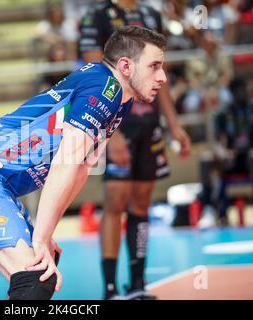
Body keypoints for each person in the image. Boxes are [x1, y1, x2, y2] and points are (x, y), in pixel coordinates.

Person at [0, 26, 168, 300]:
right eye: (154, 66)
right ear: (126, 65)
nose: (163, 77)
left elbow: (82, 168)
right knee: (36, 276)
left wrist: (45, 235)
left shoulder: (120, 100)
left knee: (41, 273)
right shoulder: (104, 88)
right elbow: (66, 162)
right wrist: (39, 238)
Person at [79, 0, 191, 300]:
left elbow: (158, 74)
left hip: (149, 125)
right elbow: (94, 76)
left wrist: (174, 125)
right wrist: (110, 135)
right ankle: (111, 289)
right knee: (115, 203)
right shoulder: (96, 17)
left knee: (141, 204)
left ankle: (138, 284)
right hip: (117, 123)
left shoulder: (150, 14)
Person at [197, 77, 253, 228]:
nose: (241, 93)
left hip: (250, 159)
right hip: (231, 158)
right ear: (231, 92)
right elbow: (217, 142)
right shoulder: (224, 113)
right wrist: (222, 152)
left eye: (243, 89)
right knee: (205, 159)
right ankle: (208, 210)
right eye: (237, 90)